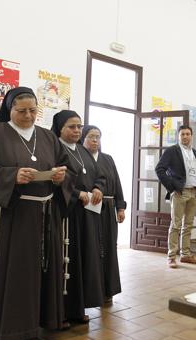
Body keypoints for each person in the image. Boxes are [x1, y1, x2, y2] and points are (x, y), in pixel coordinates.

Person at [0, 87, 70, 340]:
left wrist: (60, 177)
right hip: (8, 218)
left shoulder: (47, 137)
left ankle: (30, 330)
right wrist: (12, 176)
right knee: (10, 274)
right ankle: (2, 333)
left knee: (34, 276)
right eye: (22, 111)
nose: (29, 116)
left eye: (33, 110)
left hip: (42, 217)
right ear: (10, 109)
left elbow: (67, 168)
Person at [51, 110, 106, 326]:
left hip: (86, 216)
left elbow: (99, 174)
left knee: (83, 261)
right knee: (66, 261)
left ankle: (77, 308)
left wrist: (97, 187)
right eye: (71, 127)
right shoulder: (54, 149)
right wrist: (76, 194)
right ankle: (61, 312)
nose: (77, 131)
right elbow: (55, 179)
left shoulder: (83, 151)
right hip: (65, 216)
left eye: (79, 127)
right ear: (60, 129)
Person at [155, 125, 196, 268]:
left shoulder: (195, 153)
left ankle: (185, 255)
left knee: (188, 226)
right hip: (180, 192)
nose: (185, 136)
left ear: (191, 136)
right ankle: (171, 256)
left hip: (193, 192)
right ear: (178, 137)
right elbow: (159, 169)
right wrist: (172, 186)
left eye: (187, 134)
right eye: (182, 134)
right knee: (176, 225)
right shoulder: (172, 151)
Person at [82, 125, 126, 303]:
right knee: (92, 250)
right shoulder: (80, 158)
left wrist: (120, 207)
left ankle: (109, 291)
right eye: (91, 137)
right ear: (83, 139)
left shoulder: (107, 159)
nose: (95, 140)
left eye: (98, 137)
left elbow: (117, 183)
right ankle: (92, 292)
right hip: (88, 209)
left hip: (108, 207)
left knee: (109, 247)